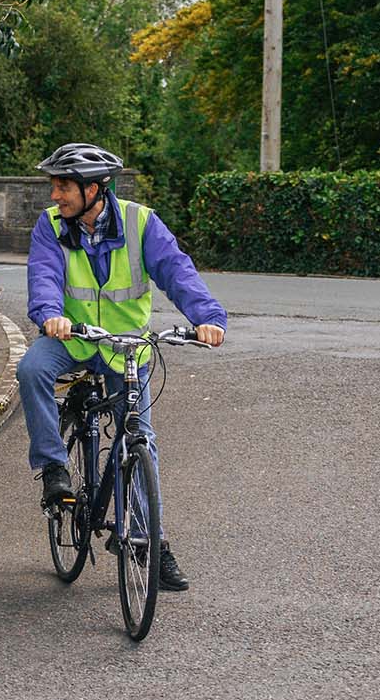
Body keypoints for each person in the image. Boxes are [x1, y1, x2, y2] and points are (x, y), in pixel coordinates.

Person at [18, 142, 227, 592]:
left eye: (63, 186)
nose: (55, 195)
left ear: (94, 189)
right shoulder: (51, 225)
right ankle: (54, 467)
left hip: (125, 348)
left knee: (140, 441)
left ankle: (148, 542)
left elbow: (177, 271)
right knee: (31, 369)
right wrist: (50, 315)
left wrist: (207, 318)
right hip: (72, 339)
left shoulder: (140, 222)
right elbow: (45, 276)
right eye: (54, 185)